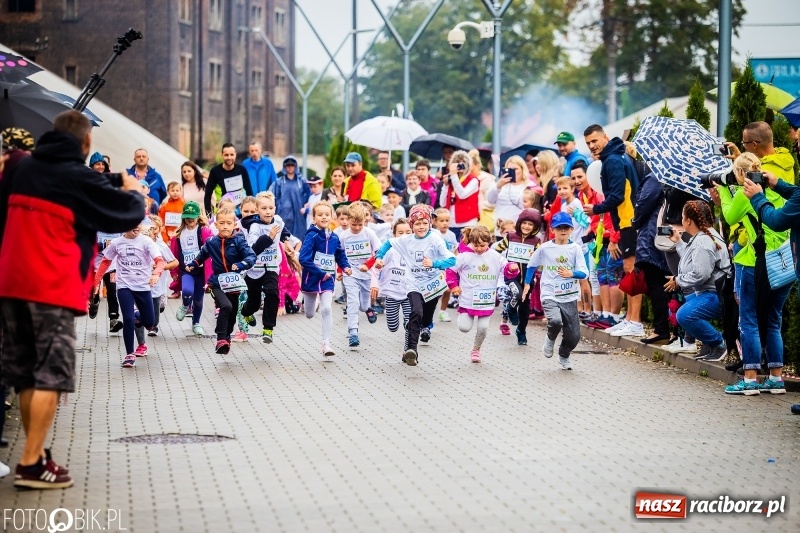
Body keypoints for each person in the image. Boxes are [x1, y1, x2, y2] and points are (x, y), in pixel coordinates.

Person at [0, 110, 144, 489]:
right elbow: (128, 213)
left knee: (27, 372)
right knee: (51, 373)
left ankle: (37, 455)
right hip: (50, 287)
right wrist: (130, 187)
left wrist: (106, 179)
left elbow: (69, 183)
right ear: (87, 143)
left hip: (10, 284)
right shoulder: (76, 177)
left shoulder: (21, 169)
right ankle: (30, 463)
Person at [713, 152, 790, 396]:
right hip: (783, 262)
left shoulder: (747, 192)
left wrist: (725, 191)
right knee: (773, 320)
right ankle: (776, 378)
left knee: (748, 320)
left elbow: (729, 216)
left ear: (739, 174)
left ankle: (750, 379)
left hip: (754, 262)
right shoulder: (775, 186)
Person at [374, 204, 456, 366]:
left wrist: (434, 263)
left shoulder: (435, 239)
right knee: (415, 312)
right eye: (417, 224)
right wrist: (379, 257)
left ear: (430, 224)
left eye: (425, 223)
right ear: (411, 225)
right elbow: (388, 243)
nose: (421, 227)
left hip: (433, 285)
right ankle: (411, 350)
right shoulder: (406, 240)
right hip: (413, 284)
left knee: (425, 319)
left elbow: (452, 259)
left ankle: (424, 326)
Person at [582, 125, 641, 337]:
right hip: (625, 221)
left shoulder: (614, 160)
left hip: (629, 221)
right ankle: (630, 319)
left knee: (631, 269)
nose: (592, 146)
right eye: (588, 143)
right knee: (629, 270)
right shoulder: (614, 157)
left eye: (595, 141)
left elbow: (617, 196)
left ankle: (635, 321)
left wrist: (595, 209)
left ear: (605, 137)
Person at [94, 221, 167, 368]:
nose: (136, 226)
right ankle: (129, 354)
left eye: (138, 223)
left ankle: (139, 317)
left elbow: (160, 262)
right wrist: (96, 281)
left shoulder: (146, 242)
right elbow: (105, 262)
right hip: (124, 286)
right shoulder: (116, 243)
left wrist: (155, 274)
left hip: (143, 287)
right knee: (127, 319)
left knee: (150, 323)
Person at [522, 212, 589, 370]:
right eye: (559, 228)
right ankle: (550, 338)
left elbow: (584, 272)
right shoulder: (545, 248)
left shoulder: (575, 249)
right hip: (549, 293)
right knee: (555, 321)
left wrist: (571, 273)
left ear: (571, 229)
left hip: (569, 296)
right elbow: (532, 265)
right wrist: (527, 284)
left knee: (574, 336)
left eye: (566, 227)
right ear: (553, 229)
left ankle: (564, 355)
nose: (563, 231)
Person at [665, 201, 730, 362]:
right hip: (711, 292)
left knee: (685, 315)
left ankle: (719, 343)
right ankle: (710, 344)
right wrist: (679, 242)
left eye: (682, 216)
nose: (681, 220)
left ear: (688, 221)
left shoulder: (703, 241)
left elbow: (701, 274)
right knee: (686, 305)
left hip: (717, 295)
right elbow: (692, 259)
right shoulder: (703, 236)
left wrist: (678, 281)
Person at [186, 208, 256, 355]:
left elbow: (251, 256)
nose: (225, 226)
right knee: (225, 305)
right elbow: (202, 255)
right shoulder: (211, 242)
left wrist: (243, 264)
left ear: (234, 225)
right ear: (216, 224)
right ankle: (220, 339)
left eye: (229, 223)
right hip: (217, 282)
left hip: (234, 284)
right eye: (222, 223)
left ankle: (226, 338)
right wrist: (193, 264)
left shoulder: (239, 240)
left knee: (232, 312)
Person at [626, 144, 670, 343]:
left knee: (656, 283)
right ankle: (666, 329)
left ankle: (661, 329)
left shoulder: (655, 177)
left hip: (652, 234)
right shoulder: (672, 177)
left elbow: (644, 203)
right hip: (662, 233)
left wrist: (635, 221)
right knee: (662, 282)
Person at [446, 225, 507, 363]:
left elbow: (507, 267)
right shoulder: (464, 256)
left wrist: (512, 268)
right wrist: (454, 286)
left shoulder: (495, 256)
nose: (479, 249)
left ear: (489, 242)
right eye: (476, 245)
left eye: (482, 245)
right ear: (471, 242)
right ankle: (462, 315)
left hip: (486, 301)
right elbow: (450, 270)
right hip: (468, 299)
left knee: (483, 327)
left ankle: (476, 349)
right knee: (464, 327)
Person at [299, 201, 352, 356]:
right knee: (309, 314)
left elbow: (340, 254)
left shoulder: (334, 237)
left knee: (327, 309)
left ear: (332, 217)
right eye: (320, 215)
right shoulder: (312, 236)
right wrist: (320, 273)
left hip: (328, 279)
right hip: (312, 278)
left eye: (327, 214)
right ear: (314, 218)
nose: (324, 217)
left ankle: (326, 344)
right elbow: (304, 259)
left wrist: (346, 266)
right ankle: (313, 302)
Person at [240, 193, 292, 344]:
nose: (268, 211)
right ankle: (245, 311)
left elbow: (284, 231)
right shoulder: (254, 227)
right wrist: (268, 238)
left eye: (270, 208)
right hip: (254, 268)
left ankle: (268, 329)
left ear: (275, 208)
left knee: (272, 292)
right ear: (257, 210)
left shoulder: (278, 221)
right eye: (264, 208)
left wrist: (287, 242)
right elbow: (253, 249)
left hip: (271, 266)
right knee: (254, 303)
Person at [338, 202, 381, 347]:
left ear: (365, 221)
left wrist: (367, 264)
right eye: (353, 224)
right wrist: (341, 270)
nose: (356, 228)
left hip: (366, 275)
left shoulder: (369, 233)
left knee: (363, 305)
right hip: (351, 274)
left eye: (360, 225)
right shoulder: (344, 236)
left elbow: (379, 252)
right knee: (352, 302)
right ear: (349, 219)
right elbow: (340, 255)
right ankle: (353, 333)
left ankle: (368, 309)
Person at [370, 218, 413, 353]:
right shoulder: (389, 250)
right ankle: (399, 325)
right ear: (394, 235)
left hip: (409, 293)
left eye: (408, 232)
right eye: (400, 232)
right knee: (393, 326)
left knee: (409, 322)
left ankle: (408, 349)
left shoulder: (416, 251)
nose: (404, 235)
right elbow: (375, 268)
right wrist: (374, 285)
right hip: (391, 293)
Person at [173, 202, 212, 336]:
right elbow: (174, 254)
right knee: (187, 291)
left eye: (193, 216)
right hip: (187, 270)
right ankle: (185, 305)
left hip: (201, 271)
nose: (190, 219)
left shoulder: (203, 231)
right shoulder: (179, 235)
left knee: (198, 299)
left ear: (198, 216)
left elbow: (211, 247)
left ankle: (196, 323)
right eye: (187, 216)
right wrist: (174, 272)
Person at [726, 121, 795, 185]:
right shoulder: (784, 158)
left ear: (754, 145)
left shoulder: (760, 172)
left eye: (744, 142)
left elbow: (746, 196)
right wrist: (740, 159)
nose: (743, 145)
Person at [439, 150, 480, 241]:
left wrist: (453, 176)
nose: (460, 165)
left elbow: (462, 195)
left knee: (465, 250)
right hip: (451, 223)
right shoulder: (452, 179)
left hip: (467, 222)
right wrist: (445, 186)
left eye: (463, 163)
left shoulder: (473, 180)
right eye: (457, 163)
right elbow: (442, 203)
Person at [204, 143, 253, 215]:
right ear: (222, 155)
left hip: (241, 212)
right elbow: (208, 195)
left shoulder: (241, 170)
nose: (229, 157)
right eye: (226, 155)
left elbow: (249, 192)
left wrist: (250, 212)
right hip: (224, 212)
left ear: (235, 155)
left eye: (232, 154)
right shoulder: (215, 171)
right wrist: (209, 214)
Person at [271, 155, 311, 241]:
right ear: (284, 167)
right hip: (283, 214)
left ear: (295, 166)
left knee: (300, 236)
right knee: (284, 236)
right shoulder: (279, 182)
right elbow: (271, 196)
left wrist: (306, 207)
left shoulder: (302, 181)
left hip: (299, 215)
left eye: (292, 165)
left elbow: (310, 196)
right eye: (288, 165)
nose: (290, 167)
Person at [486, 155, 527, 237]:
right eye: (510, 169)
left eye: (515, 169)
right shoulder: (501, 185)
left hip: (517, 231)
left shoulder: (527, 186)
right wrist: (498, 186)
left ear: (522, 169)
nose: (513, 172)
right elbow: (490, 200)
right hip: (500, 231)